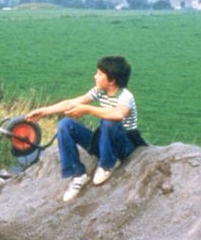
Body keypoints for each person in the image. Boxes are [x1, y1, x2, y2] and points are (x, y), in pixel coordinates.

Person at [25, 56, 146, 202]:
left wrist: (87, 109)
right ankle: (78, 174)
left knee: (109, 121)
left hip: (124, 145)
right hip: (103, 140)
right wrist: (44, 111)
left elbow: (118, 114)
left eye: (100, 74)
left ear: (112, 80)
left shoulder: (126, 96)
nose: (95, 76)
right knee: (65, 124)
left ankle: (107, 165)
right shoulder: (99, 91)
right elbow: (71, 103)